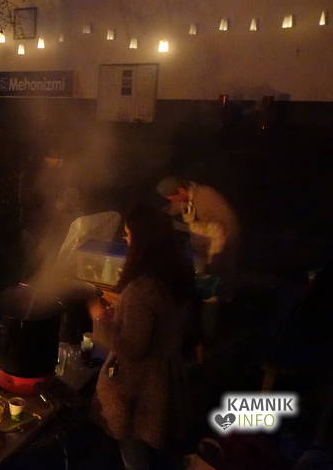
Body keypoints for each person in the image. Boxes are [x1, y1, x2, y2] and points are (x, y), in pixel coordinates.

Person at [92, 205, 194, 470]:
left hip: (138, 389)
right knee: (157, 453)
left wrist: (99, 317)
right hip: (164, 376)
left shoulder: (142, 288)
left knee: (134, 451)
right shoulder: (177, 273)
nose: (125, 239)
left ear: (143, 240)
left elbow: (131, 348)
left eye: (128, 234)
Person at [156, 176, 240, 300]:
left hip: (222, 238)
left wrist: (217, 255)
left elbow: (223, 225)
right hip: (203, 241)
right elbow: (172, 209)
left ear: (181, 190)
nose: (173, 201)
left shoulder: (206, 195)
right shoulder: (183, 199)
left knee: (219, 272)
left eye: (173, 198)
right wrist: (155, 215)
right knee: (202, 273)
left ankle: (224, 300)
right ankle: (207, 296)